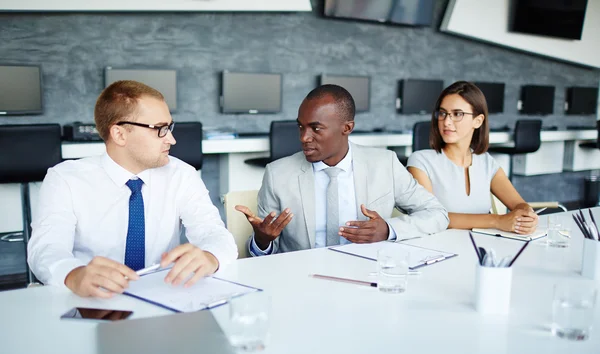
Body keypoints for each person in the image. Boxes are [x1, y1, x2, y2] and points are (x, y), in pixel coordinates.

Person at [28, 80, 237, 298]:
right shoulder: (65, 179)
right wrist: (73, 274)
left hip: (163, 296)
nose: (172, 139)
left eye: (170, 127)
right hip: (94, 300)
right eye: (160, 129)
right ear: (119, 134)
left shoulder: (182, 175)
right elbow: (46, 248)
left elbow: (214, 233)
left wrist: (211, 256)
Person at [235, 84, 449, 256]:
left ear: (346, 128)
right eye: (301, 127)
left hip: (366, 275)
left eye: (316, 128)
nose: (304, 138)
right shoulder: (277, 175)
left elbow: (437, 214)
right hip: (304, 280)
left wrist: (388, 230)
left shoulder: (385, 164)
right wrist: (262, 241)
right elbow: (261, 256)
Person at [406, 81, 538, 234]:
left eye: (457, 114)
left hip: (483, 246)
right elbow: (431, 216)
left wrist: (527, 214)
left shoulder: (487, 162)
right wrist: (497, 220)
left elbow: (519, 204)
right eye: (442, 113)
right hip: (441, 249)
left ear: (478, 121)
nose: (446, 122)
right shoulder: (420, 161)